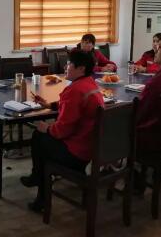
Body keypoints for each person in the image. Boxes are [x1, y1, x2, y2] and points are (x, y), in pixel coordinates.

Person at [21, 49, 104, 213]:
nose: (65, 67)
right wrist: (49, 105)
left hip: (76, 153)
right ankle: (36, 177)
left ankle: (41, 194)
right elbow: (73, 106)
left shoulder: (74, 90)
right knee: (42, 137)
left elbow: (63, 130)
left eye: (69, 64)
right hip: (91, 149)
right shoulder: (90, 84)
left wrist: (47, 128)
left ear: (81, 68)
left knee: (39, 137)